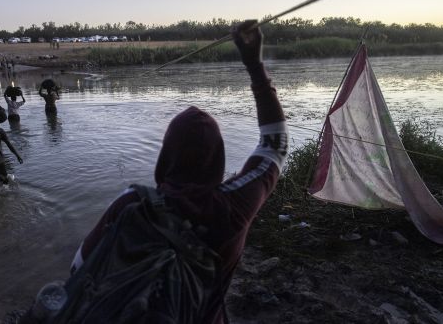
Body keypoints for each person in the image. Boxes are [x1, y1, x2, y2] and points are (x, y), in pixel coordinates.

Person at [69, 20, 288, 323]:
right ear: (218, 158)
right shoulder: (234, 207)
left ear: (165, 156)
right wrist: (254, 64)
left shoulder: (132, 203)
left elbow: (78, 269)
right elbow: (274, 145)